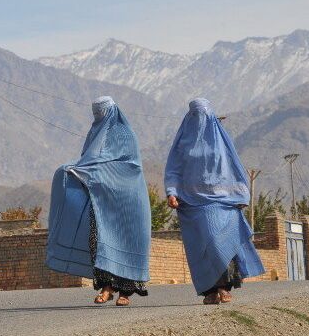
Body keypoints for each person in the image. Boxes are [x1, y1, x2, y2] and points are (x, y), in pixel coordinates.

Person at [46, 96, 151, 306]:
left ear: (111, 111)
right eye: (95, 113)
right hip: (102, 199)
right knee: (99, 241)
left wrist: (95, 171)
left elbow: (129, 166)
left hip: (127, 200)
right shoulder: (94, 132)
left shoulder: (125, 134)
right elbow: (89, 161)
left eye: (101, 112)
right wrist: (76, 170)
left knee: (125, 241)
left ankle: (125, 292)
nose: (98, 117)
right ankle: (106, 287)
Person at [164, 98, 265, 304]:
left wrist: (241, 195)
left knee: (219, 242)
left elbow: (234, 166)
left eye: (202, 114)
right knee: (201, 248)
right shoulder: (183, 142)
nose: (199, 119)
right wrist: (171, 192)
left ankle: (224, 287)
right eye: (195, 114)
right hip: (191, 203)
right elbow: (173, 168)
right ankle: (209, 291)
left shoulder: (221, 140)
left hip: (221, 201)